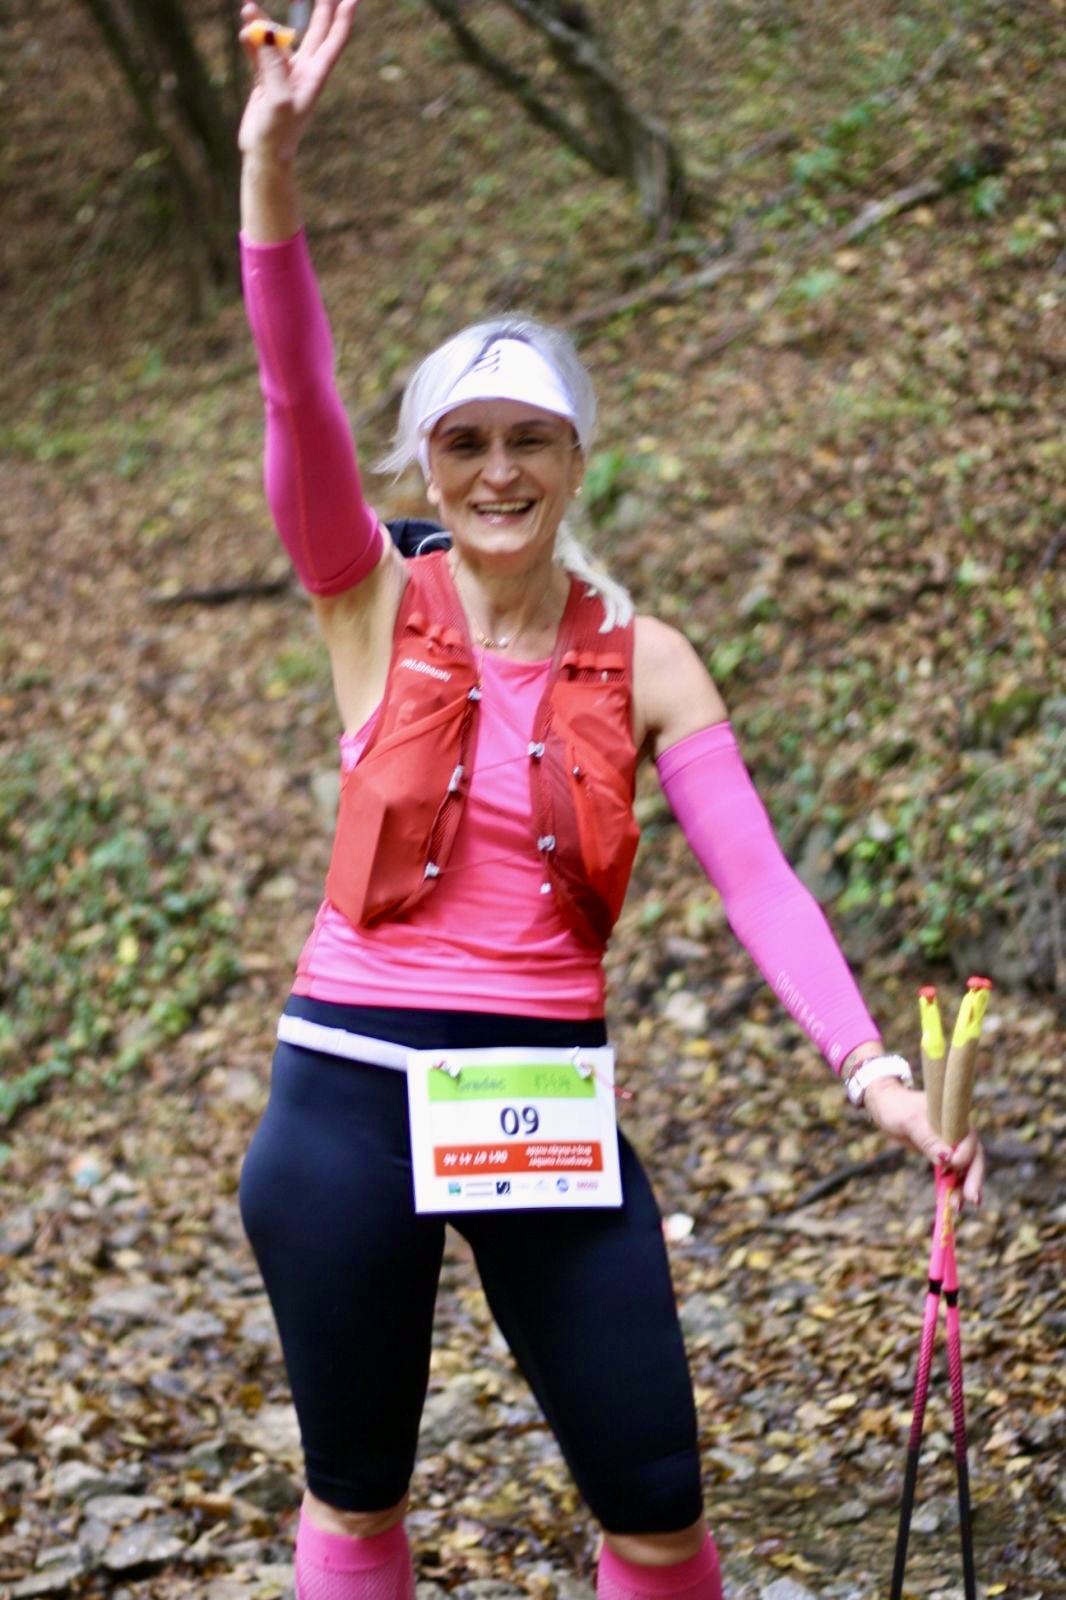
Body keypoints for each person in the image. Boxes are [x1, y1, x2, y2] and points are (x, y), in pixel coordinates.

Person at [235, 6, 985, 1599]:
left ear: (576, 461)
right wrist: (271, 166)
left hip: (541, 1109)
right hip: (344, 1099)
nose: (496, 472)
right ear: (424, 465)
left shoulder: (648, 661)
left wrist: (872, 1075)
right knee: (357, 1504)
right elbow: (296, 398)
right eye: (462, 444)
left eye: (530, 441)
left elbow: (757, 880)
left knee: (653, 1509)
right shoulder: (364, 595)